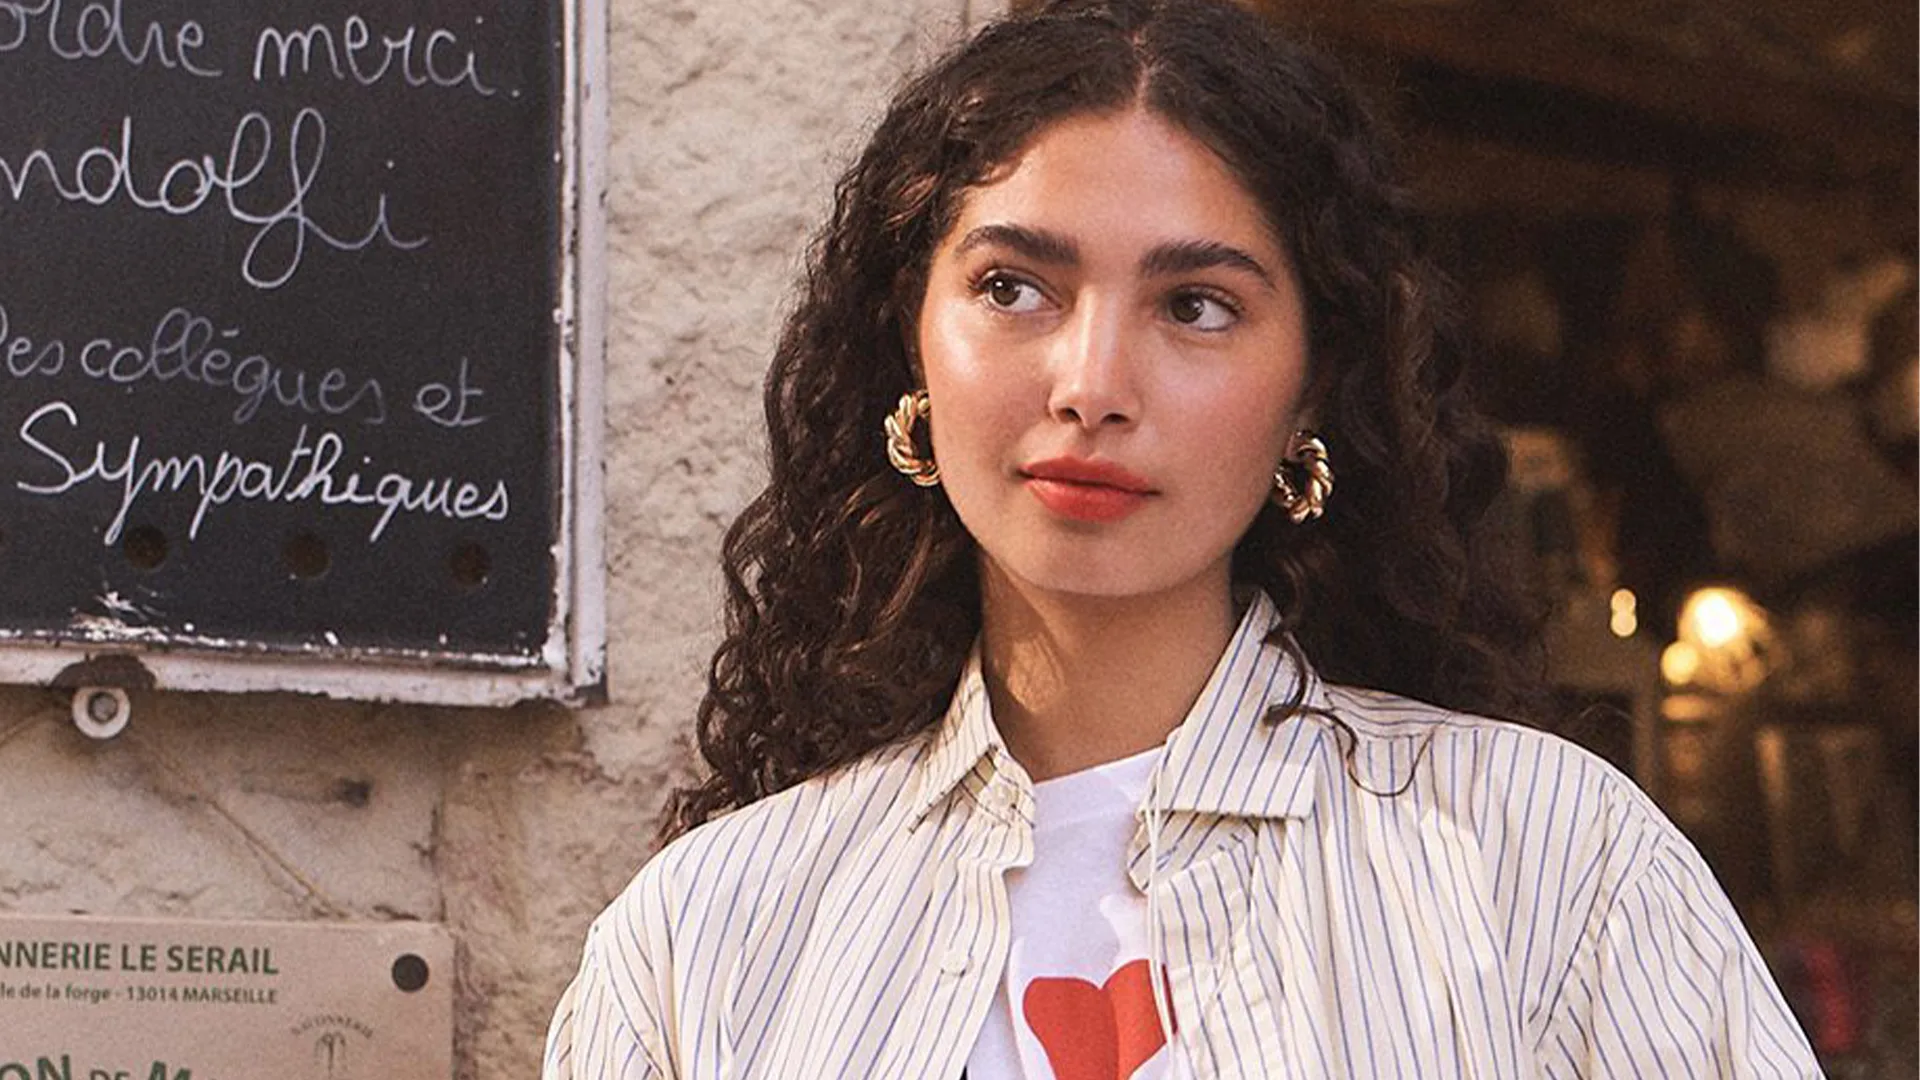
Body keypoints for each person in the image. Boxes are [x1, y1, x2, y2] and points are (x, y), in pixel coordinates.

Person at [543, 0, 1820, 1076]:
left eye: (1197, 305)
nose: (1092, 382)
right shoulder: (708, 938)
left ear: (1314, 388)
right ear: (908, 346)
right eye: (1013, 287)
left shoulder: (1548, 865)